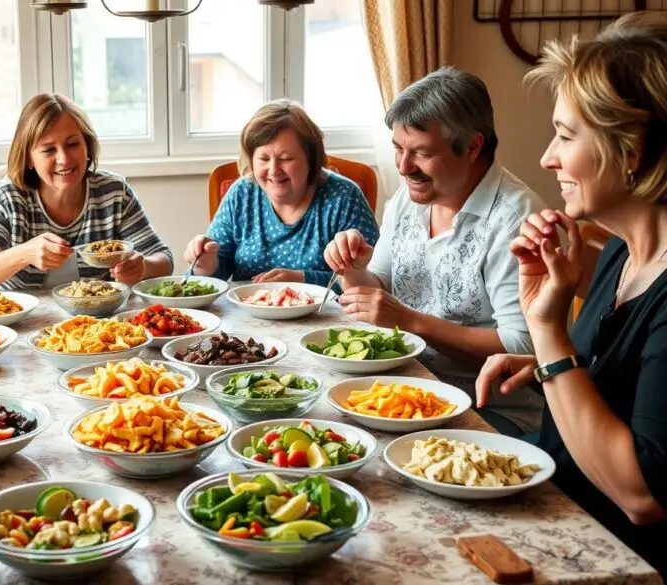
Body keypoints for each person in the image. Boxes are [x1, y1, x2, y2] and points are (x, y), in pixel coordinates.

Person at [477, 12, 667, 572]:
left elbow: (642, 495)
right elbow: (619, 379)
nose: (547, 157)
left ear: (630, 150)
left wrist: (547, 336)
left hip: (613, 557)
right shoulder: (619, 248)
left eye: (565, 136)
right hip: (555, 494)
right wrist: (544, 363)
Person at [323, 67, 546, 436]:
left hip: (488, 411)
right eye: (398, 149)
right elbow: (377, 292)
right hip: (409, 388)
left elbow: (521, 344)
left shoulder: (518, 220)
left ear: (472, 146)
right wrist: (351, 268)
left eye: (422, 153)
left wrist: (412, 321)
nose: (404, 166)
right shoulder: (409, 198)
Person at [0, 93, 173, 291]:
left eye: (73, 144)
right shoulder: (6, 198)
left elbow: (164, 259)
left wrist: (143, 268)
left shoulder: (113, 193)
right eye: (48, 150)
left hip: (101, 328)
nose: (64, 159)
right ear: (28, 158)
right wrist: (24, 253)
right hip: (19, 330)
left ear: (87, 146)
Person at [183, 99, 379, 285]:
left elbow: (376, 279)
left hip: (327, 317)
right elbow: (217, 272)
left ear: (311, 159)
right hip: (249, 316)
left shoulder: (344, 197)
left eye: (286, 158)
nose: (274, 170)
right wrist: (206, 264)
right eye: (263, 158)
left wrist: (302, 279)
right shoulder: (241, 194)